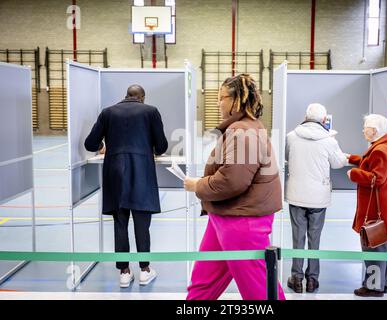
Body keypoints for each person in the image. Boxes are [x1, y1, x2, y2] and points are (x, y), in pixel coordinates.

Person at [183, 74, 286, 300]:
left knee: (259, 290)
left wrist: (197, 185)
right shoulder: (242, 129)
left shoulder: (243, 132)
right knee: (203, 284)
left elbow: (233, 181)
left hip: (242, 221)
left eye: (222, 98)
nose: (218, 103)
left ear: (237, 100)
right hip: (225, 216)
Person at [84, 85, 168, 288]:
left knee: (120, 223)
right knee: (142, 223)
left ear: (126, 96)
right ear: (142, 97)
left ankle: (124, 272)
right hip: (141, 172)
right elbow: (162, 146)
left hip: (114, 174)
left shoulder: (108, 112)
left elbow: (90, 144)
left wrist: (104, 146)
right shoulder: (151, 111)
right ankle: (145, 270)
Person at [285, 103, 348, 293]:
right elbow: (338, 164)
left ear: (306, 116)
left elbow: (286, 157)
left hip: (296, 195)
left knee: (298, 238)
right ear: (323, 120)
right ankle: (312, 280)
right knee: (315, 238)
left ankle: (296, 279)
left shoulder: (291, 136)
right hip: (318, 198)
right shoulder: (329, 140)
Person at [346, 114, 387, 297]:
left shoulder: (380, 151)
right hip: (384, 209)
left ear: (375, 131)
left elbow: (377, 178)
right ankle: (380, 284)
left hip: (375, 212)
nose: (363, 130)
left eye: (366, 127)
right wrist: (352, 158)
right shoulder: (383, 146)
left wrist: (354, 173)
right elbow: (370, 165)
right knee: (380, 249)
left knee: (373, 249)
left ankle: (373, 287)